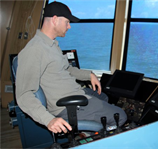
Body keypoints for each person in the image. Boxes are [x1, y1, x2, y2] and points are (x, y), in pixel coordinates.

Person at [16, 1, 127, 134]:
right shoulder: (35, 50)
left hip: (74, 92)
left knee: (103, 97)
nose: (69, 27)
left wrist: (89, 75)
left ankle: (88, 132)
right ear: (55, 19)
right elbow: (24, 95)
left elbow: (67, 69)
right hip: (65, 106)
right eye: (67, 22)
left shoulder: (51, 45)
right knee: (121, 117)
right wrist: (48, 120)